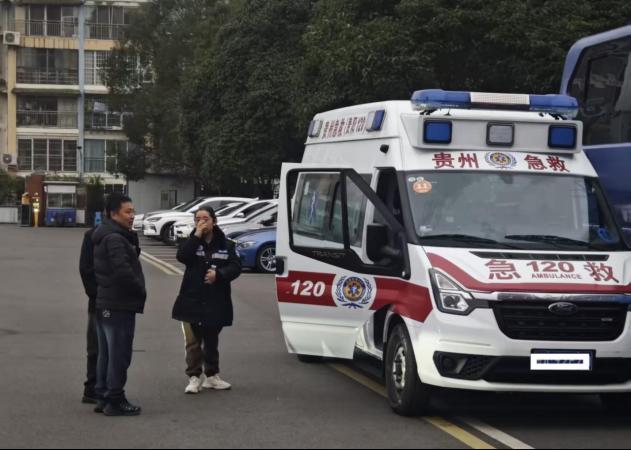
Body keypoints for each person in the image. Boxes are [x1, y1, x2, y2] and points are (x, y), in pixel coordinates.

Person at [173, 206, 242, 394]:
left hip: (215, 300)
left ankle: (211, 376)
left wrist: (219, 275)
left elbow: (236, 267)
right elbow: (182, 257)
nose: (201, 222)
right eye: (197, 219)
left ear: (214, 221)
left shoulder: (226, 244)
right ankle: (194, 377)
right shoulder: (191, 241)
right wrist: (196, 235)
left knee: (211, 339)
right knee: (193, 341)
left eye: (205, 218)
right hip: (191, 299)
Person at [92, 194, 146, 416]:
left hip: (106, 302)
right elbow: (123, 272)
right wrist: (139, 289)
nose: (132, 216)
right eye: (127, 212)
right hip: (118, 304)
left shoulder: (107, 234)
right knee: (119, 355)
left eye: (133, 211)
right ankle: (115, 399)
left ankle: (102, 395)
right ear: (113, 214)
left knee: (106, 354)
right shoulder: (115, 238)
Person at [79, 227, 98, 404]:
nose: (132, 216)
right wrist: (95, 293)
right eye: (128, 213)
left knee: (115, 349)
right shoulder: (92, 235)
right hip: (99, 301)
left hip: (119, 302)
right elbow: (85, 269)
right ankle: (91, 387)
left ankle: (106, 387)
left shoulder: (128, 235)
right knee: (95, 347)